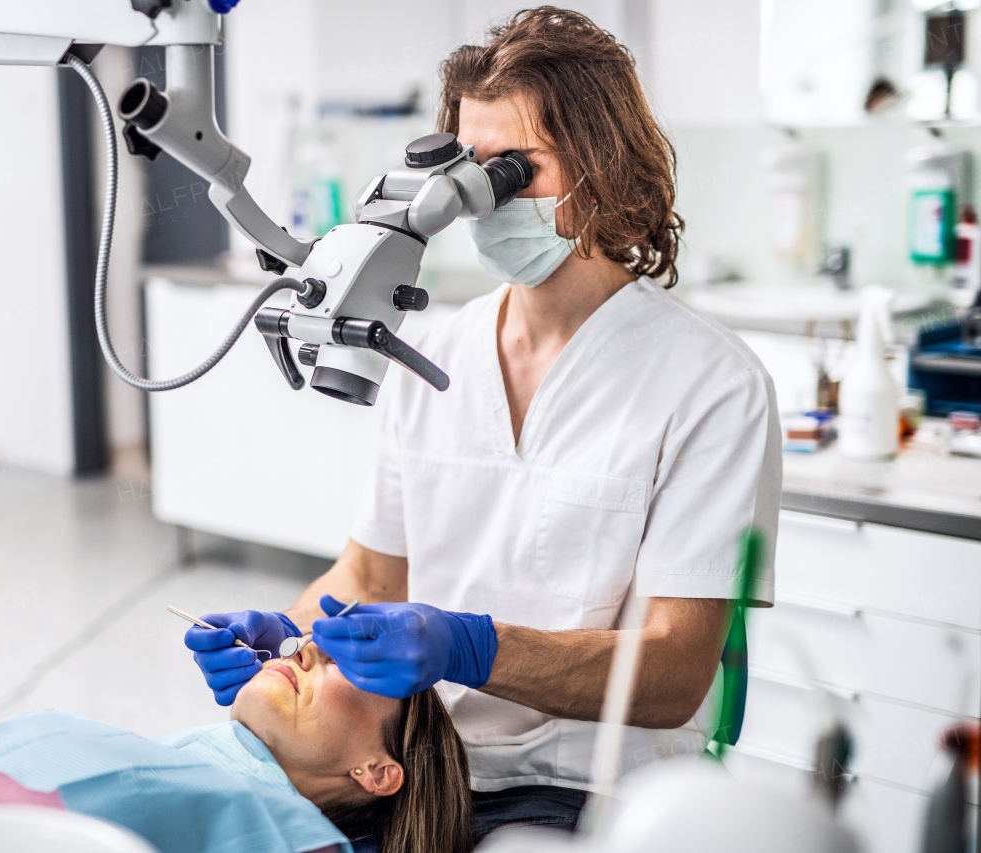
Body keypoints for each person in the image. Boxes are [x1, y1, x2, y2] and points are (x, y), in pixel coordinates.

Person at [185, 6, 781, 843]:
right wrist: (289, 638)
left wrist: (473, 648)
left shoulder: (711, 384)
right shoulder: (434, 353)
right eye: (474, 168)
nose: (488, 199)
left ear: (603, 170)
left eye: (519, 171)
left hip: (589, 787)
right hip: (425, 771)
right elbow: (370, 574)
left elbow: (675, 674)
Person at [0, 643, 471, 853]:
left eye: (353, 661)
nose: (304, 644)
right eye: (321, 636)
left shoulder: (285, 833)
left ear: (378, 770)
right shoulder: (184, 758)